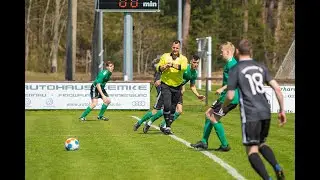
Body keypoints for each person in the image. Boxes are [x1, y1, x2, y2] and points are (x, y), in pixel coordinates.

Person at [221, 39, 286, 180]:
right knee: (262, 143)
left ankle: (267, 178)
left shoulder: (235, 69)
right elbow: (278, 89)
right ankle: (277, 167)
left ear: (237, 51)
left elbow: (231, 95)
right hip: (266, 111)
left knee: (252, 150)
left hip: (251, 114)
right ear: (251, 51)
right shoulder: (260, 66)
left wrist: (223, 106)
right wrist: (282, 111)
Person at [190, 42, 239, 152]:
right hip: (225, 96)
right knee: (208, 114)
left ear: (228, 52)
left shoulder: (233, 65)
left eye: (222, 52)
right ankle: (204, 142)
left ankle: (225, 145)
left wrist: (222, 88)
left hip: (230, 98)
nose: (221, 54)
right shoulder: (229, 64)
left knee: (213, 117)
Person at [133, 40, 188, 135]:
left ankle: (165, 126)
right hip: (165, 85)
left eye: (177, 48)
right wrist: (163, 68)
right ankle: (142, 122)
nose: (175, 49)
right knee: (158, 109)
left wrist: (184, 88)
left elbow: (183, 69)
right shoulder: (165, 56)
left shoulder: (184, 61)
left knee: (176, 109)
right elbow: (159, 68)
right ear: (172, 47)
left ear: (179, 49)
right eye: (173, 47)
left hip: (177, 87)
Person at [143, 55, 206, 134]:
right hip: (170, 88)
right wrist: (161, 79)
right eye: (194, 62)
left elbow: (192, 86)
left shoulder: (195, 73)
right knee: (165, 109)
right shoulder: (185, 68)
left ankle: (163, 125)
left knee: (179, 111)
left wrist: (197, 95)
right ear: (190, 62)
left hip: (177, 90)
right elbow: (174, 74)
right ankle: (149, 123)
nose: (196, 64)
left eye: (197, 63)